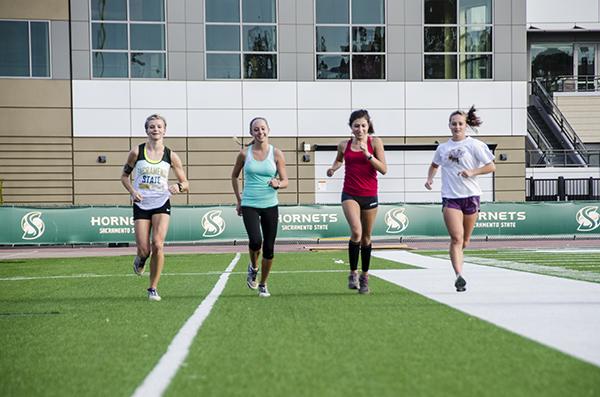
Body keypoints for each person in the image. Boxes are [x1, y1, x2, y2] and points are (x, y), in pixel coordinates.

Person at [425, 106, 496, 292]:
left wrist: (473, 171)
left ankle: (459, 258)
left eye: (460, 124)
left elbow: (491, 167)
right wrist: (430, 179)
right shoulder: (443, 148)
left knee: (464, 241)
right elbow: (434, 165)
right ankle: (459, 276)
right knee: (456, 238)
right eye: (454, 124)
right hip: (451, 198)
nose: (457, 127)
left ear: (466, 126)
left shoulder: (475, 145)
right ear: (449, 126)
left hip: (471, 196)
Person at [120, 114, 189, 301]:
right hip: (142, 203)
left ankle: (153, 287)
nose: (155, 129)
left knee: (158, 244)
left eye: (159, 126)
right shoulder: (137, 152)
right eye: (152, 127)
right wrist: (133, 192)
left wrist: (179, 187)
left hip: (161, 202)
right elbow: (124, 177)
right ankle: (141, 259)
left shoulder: (171, 155)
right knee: (144, 249)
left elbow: (185, 183)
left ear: (164, 130)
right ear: (146, 130)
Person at [326, 109, 387, 294]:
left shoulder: (375, 142)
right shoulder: (344, 145)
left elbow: (383, 169)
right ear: (351, 128)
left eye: (363, 125)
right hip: (350, 194)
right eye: (356, 126)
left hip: (369, 194)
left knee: (367, 237)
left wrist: (368, 154)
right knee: (356, 232)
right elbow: (339, 161)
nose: (360, 129)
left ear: (368, 126)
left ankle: (365, 276)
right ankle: (352, 272)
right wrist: (333, 169)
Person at [231, 117, 288, 298]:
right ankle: (253, 267)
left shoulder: (277, 153)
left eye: (263, 128)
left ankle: (263, 283)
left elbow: (286, 181)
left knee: (269, 248)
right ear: (251, 133)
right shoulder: (243, 154)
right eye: (256, 129)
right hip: (250, 204)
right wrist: (239, 200)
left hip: (270, 204)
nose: (260, 132)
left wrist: (277, 183)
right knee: (256, 241)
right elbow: (234, 177)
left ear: (268, 130)